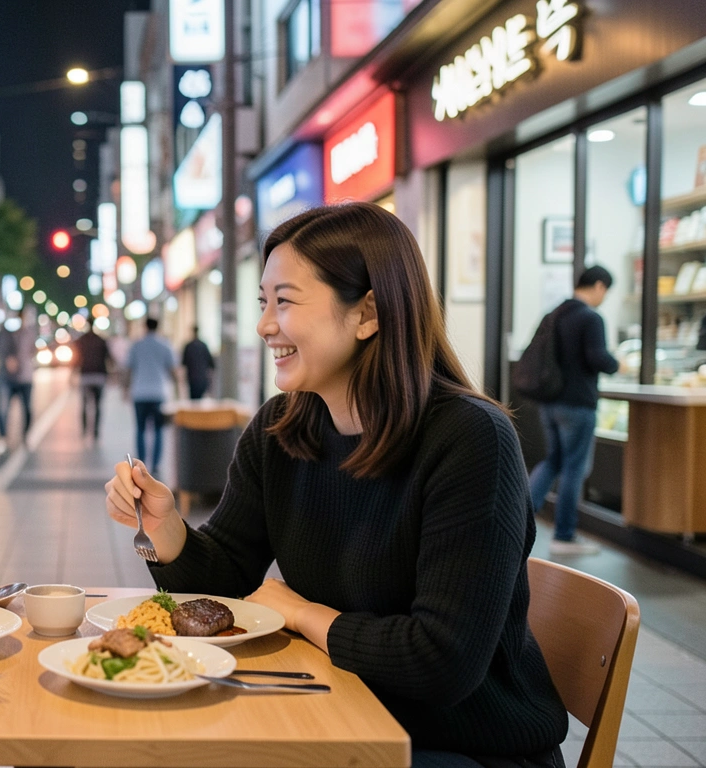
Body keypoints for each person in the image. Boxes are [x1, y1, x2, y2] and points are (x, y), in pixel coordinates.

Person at [105, 203, 568, 768]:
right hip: (339, 715)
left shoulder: (471, 440)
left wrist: (302, 613)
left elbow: (443, 661)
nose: (264, 324)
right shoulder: (282, 430)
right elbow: (225, 577)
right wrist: (165, 527)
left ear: (368, 312)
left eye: (285, 301)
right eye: (262, 302)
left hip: (459, 746)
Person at [527, 265, 620, 556]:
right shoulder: (590, 318)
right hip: (578, 404)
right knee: (574, 468)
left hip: (549, 401)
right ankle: (564, 536)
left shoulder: (555, 314)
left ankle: (519, 518)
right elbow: (598, 358)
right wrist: (617, 364)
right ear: (599, 286)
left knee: (553, 460)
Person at [126, 317, 176, 473]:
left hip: (139, 393)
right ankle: (155, 464)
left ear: (145, 327)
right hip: (158, 393)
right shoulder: (165, 345)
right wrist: (179, 390)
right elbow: (173, 369)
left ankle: (140, 463)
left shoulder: (137, 345)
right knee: (158, 430)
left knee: (140, 429)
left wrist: (124, 388)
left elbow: (128, 369)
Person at [0, 305, 36, 454]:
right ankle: (3, 438)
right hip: (5, 378)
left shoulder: (28, 334)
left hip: (25, 378)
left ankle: (25, 437)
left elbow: (32, 351)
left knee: (27, 410)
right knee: (3, 409)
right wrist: (6, 359)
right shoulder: (2, 334)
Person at [73, 326, 111, 442]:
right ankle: (95, 431)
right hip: (99, 375)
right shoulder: (101, 340)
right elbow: (108, 358)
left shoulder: (81, 340)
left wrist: (73, 373)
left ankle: (85, 430)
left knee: (85, 404)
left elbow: (77, 358)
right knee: (98, 405)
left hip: (86, 375)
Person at [180, 326, 215, 400]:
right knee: (201, 401)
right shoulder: (204, 346)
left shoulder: (188, 346)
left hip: (192, 378)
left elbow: (183, 364)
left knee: (193, 401)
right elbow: (211, 365)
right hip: (202, 378)